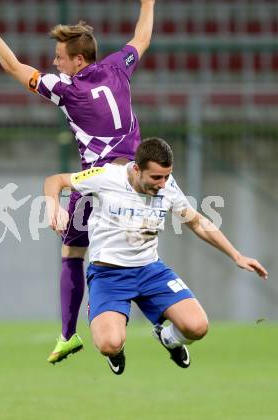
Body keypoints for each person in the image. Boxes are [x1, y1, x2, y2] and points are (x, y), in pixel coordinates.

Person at [0, 0, 156, 363]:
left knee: (75, 253)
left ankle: (70, 335)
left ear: (78, 61)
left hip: (96, 184)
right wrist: (148, 2)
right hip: (135, 180)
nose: (54, 63)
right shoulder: (119, 66)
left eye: (59, 57)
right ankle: (166, 326)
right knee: (142, 254)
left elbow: (12, 66)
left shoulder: (66, 88)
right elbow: (142, 37)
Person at [43, 137, 268, 375]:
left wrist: (236, 255)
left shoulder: (167, 188)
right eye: (156, 177)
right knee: (109, 344)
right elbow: (55, 181)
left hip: (150, 271)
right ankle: (116, 352)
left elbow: (198, 222)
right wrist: (53, 207)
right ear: (137, 169)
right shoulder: (106, 177)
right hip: (108, 276)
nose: (162, 184)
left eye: (166, 176)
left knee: (198, 327)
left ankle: (168, 338)